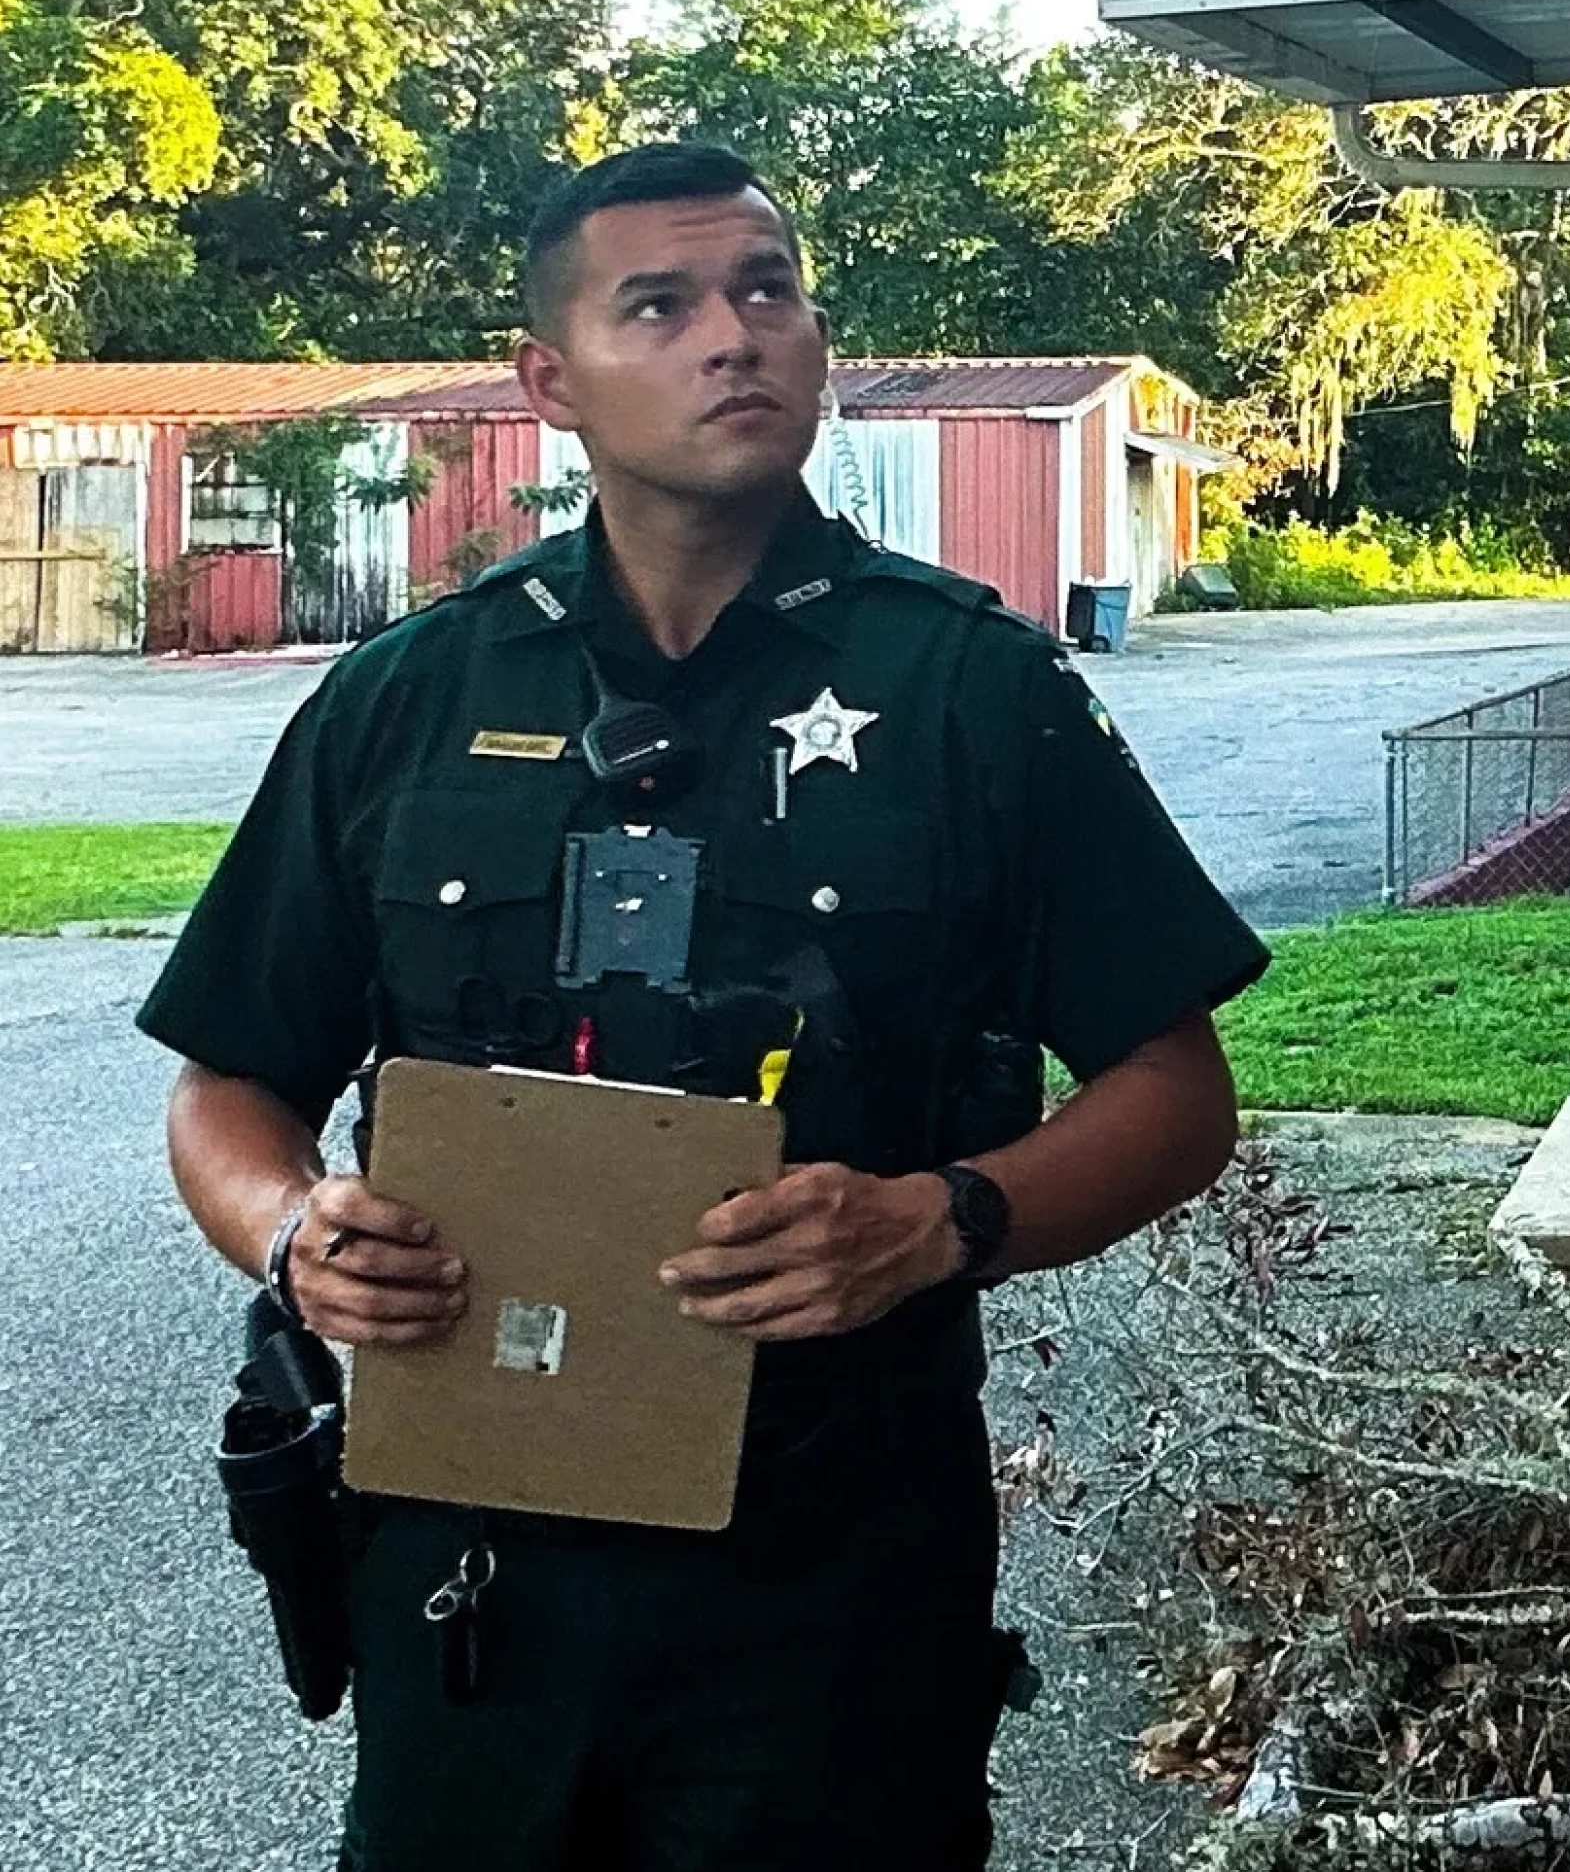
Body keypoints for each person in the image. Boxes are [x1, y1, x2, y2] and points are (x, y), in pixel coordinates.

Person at [138, 140, 1269, 1872]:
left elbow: (1175, 1089)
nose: (731, 336)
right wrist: (292, 1228)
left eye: (767, 291)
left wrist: (945, 1216)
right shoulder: (406, 702)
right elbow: (228, 1082)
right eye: (657, 306)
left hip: (831, 1563)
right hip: (470, 1559)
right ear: (548, 382)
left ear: (817, 341)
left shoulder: (974, 690)